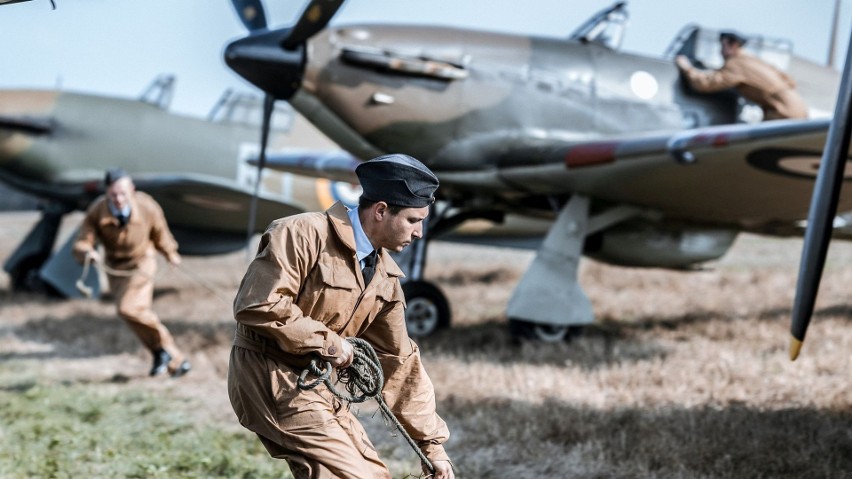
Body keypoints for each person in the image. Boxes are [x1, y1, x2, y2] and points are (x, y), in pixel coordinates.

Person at [228, 154, 454, 479]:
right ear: (380, 211)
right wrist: (333, 346)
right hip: (270, 374)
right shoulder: (302, 233)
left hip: (320, 388)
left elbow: (399, 362)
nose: (419, 232)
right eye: (413, 220)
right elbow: (258, 305)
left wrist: (432, 447)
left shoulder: (385, 279)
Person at [72, 168, 191, 378]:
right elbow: (83, 241)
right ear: (106, 193)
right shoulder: (97, 211)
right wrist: (87, 252)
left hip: (142, 262)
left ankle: (174, 356)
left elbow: (160, 232)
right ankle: (160, 354)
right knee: (130, 313)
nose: (118, 199)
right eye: (113, 195)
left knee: (130, 308)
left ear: (132, 191)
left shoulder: (147, 205)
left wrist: (170, 252)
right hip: (116, 269)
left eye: (123, 194)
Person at [676, 30, 808, 121]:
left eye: (723, 46)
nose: (720, 51)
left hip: (783, 112)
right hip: (798, 108)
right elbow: (789, 80)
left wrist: (686, 67)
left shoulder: (736, 64)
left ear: (733, 46)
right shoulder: (752, 60)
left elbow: (705, 84)